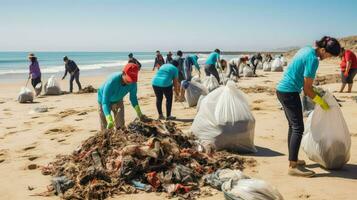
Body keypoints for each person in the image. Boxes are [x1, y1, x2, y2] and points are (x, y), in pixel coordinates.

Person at [276, 36, 341, 177]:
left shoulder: (306, 49)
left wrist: (314, 91)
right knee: (298, 128)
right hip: (289, 92)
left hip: (282, 90)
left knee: (292, 126)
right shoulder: (313, 60)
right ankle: (293, 167)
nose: (328, 58)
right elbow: (307, 90)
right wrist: (320, 101)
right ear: (323, 50)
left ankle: (292, 159)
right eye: (329, 55)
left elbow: (305, 83)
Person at [97, 63, 144, 130]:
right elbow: (105, 102)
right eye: (128, 79)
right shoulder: (112, 82)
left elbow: (133, 97)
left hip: (118, 99)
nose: (130, 82)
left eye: (132, 79)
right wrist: (109, 118)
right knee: (105, 127)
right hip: (103, 101)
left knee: (121, 125)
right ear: (123, 73)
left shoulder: (133, 83)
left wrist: (138, 111)